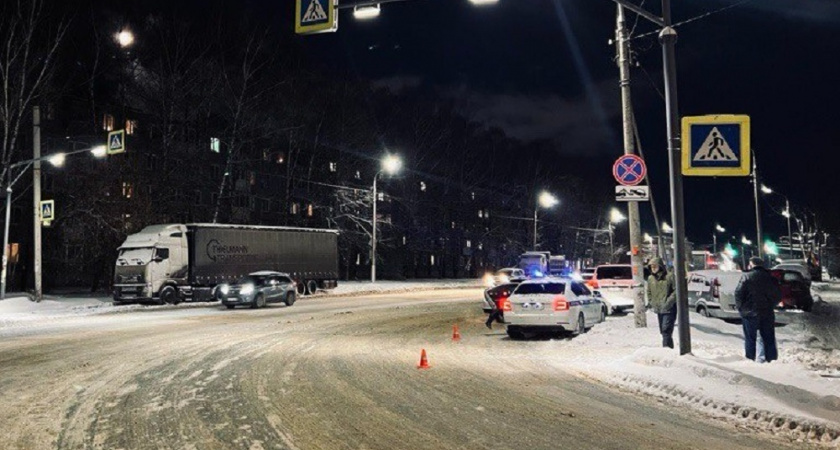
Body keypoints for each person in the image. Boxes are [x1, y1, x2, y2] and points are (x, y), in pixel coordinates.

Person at [734, 256, 782, 362]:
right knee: (768, 337)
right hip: (767, 312)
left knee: (750, 338)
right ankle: (772, 359)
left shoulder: (746, 277)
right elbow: (778, 295)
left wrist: (742, 309)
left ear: (751, 264)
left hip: (749, 313)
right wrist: (771, 305)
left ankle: (750, 358)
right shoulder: (770, 278)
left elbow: (738, 293)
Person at [646, 257, 677, 348]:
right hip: (658, 308)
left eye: (655, 266)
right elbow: (649, 291)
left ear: (660, 266)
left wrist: (668, 302)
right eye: (652, 267)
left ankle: (666, 349)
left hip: (669, 309)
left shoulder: (669, 276)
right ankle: (669, 349)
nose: (653, 268)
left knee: (666, 330)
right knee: (663, 332)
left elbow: (676, 291)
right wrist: (652, 302)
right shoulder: (650, 278)